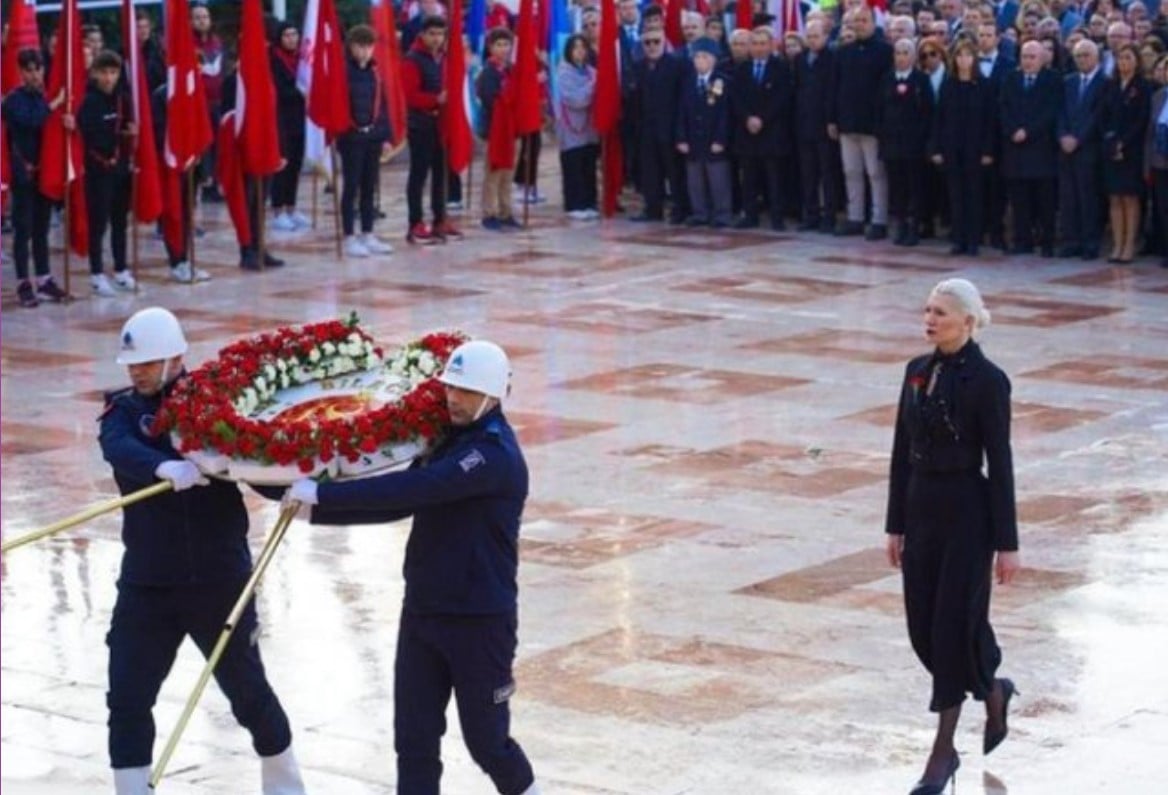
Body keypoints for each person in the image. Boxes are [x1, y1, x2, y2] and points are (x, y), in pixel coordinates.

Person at [287, 340, 541, 795]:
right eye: (451, 387)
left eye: (466, 390)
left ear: (493, 395)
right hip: (423, 612)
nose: (454, 399)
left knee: (488, 743)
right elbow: (396, 503)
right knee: (414, 741)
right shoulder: (447, 441)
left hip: (479, 620)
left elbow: (415, 489)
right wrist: (310, 505)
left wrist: (324, 497)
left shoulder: (491, 455)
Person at [99, 307, 307, 795]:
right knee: (127, 694)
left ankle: (284, 782)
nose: (139, 371)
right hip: (148, 583)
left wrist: (297, 487)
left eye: (149, 362)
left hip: (217, 579)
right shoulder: (123, 412)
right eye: (133, 364)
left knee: (247, 693)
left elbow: (257, 462)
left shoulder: (216, 407)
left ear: (176, 358)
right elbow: (118, 448)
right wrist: (162, 468)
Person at [885, 279, 1021, 795]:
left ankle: (942, 755)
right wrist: (894, 524)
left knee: (951, 627)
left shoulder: (989, 381)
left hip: (967, 514)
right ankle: (994, 691)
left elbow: (1001, 463)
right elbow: (900, 452)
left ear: (967, 321)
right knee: (925, 628)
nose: (930, 319)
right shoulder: (915, 371)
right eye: (927, 310)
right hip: (921, 511)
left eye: (941, 312)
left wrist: (1007, 542)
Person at [3, 48, 70, 307]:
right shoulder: (12, 100)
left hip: (45, 173)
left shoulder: (45, 96)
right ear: (21, 72)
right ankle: (23, 282)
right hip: (23, 175)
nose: (34, 75)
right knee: (24, 230)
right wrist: (54, 105)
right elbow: (31, 121)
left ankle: (44, 279)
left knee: (42, 228)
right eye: (28, 70)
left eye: (38, 69)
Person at [828, 3, 893, 239]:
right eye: (856, 21)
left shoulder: (885, 52)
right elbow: (835, 87)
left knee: (876, 174)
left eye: (864, 20)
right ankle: (855, 217)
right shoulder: (843, 52)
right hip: (847, 123)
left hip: (872, 125)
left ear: (873, 23)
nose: (860, 25)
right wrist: (833, 119)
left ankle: (879, 219)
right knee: (851, 171)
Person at [930, 39, 997, 257]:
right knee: (955, 196)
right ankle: (958, 238)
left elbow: (990, 120)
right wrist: (937, 148)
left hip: (976, 149)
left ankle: (973, 240)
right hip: (952, 148)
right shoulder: (949, 85)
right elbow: (939, 118)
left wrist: (988, 150)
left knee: (974, 195)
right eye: (959, 55)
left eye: (968, 55)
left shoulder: (984, 85)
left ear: (974, 59)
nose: (963, 60)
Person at [79, 50, 137, 297]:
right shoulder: (89, 102)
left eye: (113, 73)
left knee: (120, 222)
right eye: (104, 72)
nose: (109, 78)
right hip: (98, 170)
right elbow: (91, 134)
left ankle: (121, 269)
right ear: (94, 74)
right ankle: (96, 273)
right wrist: (117, 135)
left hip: (120, 169)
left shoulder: (123, 99)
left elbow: (128, 128)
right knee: (98, 222)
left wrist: (130, 134)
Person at [403, 15, 462, 244]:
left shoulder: (446, 58)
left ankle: (440, 219)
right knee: (419, 174)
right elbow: (410, 95)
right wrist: (436, 99)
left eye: (441, 34)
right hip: (421, 124)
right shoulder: (412, 59)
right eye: (433, 34)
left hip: (442, 124)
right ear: (423, 34)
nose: (437, 39)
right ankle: (415, 223)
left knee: (441, 174)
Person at [999, 40, 1060, 257]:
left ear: (1042, 58)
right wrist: (1013, 129)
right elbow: (1003, 108)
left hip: (1041, 149)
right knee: (1019, 200)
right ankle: (1022, 240)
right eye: (1025, 56)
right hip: (1015, 149)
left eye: (1032, 57)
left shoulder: (1052, 80)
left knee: (1045, 200)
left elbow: (1051, 112)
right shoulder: (1011, 79)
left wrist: (1029, 131)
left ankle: (1047, 242)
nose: (1028, 61)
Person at [337, 24, 394, 257]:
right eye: (361, 46)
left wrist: (386, 136)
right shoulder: (343, 73)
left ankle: (368, 233)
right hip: (351, 137)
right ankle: (349, 236)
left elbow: (382, 106)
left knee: (370, 186)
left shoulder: (375, 73)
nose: (366, 51)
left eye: (370, 46)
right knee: (351, 186)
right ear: (351, 47)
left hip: (372, 137)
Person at [729, 25, 793, 231]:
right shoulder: (742, 69)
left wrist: (762, 118)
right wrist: (748, 118)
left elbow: (782, 98)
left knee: (774, 177)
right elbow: (735, 98)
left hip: (772, 130)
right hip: (747, 131)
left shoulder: (781, 68)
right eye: (754, 44)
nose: (758, 48)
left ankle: (777, 216)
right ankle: (750, 215)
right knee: (748, 177)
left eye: (762, 43)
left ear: (771, 45)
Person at [877, 39, 933, 246]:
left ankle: (914, 226)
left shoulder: (921, 80)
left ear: (913, 56)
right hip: (892, 144)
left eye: (906, 52)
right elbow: (880, 110)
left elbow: (928, 112)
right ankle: (900, 225)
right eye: (898, 52)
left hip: (914, 145)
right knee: (897, 187)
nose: (901, 57)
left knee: (914, 188)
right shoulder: (886, 79)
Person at [629, 25, 686, 223]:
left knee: (674, 172)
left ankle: (680, 209)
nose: (652, 46)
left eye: (656, 41)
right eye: (647, 42)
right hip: (646, 130)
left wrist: (680, 131)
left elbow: (682, 100)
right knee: (650, 172)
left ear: (664, 42)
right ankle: (653, 209)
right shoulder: (637, 67)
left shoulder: (676, 65)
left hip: (670, 129)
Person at [1057, 39, 1108, 260]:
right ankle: (1071, 241)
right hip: (1066, 148)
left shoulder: (1105, 82)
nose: (1082, 59)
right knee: (1069, 197)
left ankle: (1090, 242)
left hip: (1089, 148)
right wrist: (1063, 135)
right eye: (1078, 56)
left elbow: (1098, 115)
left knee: (1088, 197)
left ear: (1097, 57)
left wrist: (1078, 138)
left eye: (1086, 55)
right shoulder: (1068, 81)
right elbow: (1060, 111)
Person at [1102, 42, 1153, 262]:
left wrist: (1125, 143)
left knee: (1130, 198)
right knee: (1114, 198)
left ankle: (1129, 245)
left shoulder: (1143, 87)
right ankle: (1117, 243)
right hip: (1111, 147)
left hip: (1132, 150)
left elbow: (1141, 120)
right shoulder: (1111, 86)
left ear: (1136, 61)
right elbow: (1103, 116)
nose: (1124, 62)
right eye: (1121, 58)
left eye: (1128, 58)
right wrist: (1111, 140)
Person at [676, 37, 732, 228]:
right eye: (697, 56)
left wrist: (720, 139)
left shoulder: (720, 81)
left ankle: (722, 214)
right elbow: (681, 110)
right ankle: (700, 213)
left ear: (713, 59)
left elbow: (723, 112)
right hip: (693, 138)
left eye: (704, 57)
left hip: (713, 138)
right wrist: (681, 137)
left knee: (717, 178)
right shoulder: (689, 81)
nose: (699, 61)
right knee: (695, 179)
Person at [794, 19, 840, 233]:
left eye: (816, 36)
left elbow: (833, 91)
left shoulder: (832, 58)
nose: (812, 40)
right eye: (809, 36)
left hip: (824, 124)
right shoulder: (800, 59)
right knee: (807, 173)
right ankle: (811, 214)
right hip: (804, 124)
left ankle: (829, 216)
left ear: (826, 37)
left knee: (827, 173)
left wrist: (832, 120)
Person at [476, 27, 521, 232]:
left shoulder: (513, 70)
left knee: (508, 173)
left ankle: (506, 211)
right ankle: (489, 212)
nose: (503, 49)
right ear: (490, 47)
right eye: (499, 45)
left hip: (512, 129)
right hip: (495, 130)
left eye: (506, 44)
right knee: (493, 173)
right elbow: (490, 99)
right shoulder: (488, 73)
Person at [269, 21, 309, 234]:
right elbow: (278, 90)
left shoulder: (302, 60)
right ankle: (278, 209)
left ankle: (292, 207)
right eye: (287, 35)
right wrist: (301, 93)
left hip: (300, 119)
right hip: (281, 119)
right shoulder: (274, 59)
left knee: (296, 165)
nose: (292, 39)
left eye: (295, 34)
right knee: (282, 165)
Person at [555, 34, 600, 221]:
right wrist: (593, 87)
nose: (580, 51)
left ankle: (589, 201)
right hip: (572, 129)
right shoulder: (564, 73)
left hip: (589, 130)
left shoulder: (591, 71)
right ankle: (574, 204)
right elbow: (576, 99)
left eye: (583, 46)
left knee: (588, 165)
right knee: (573, 166)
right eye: (576, 47)